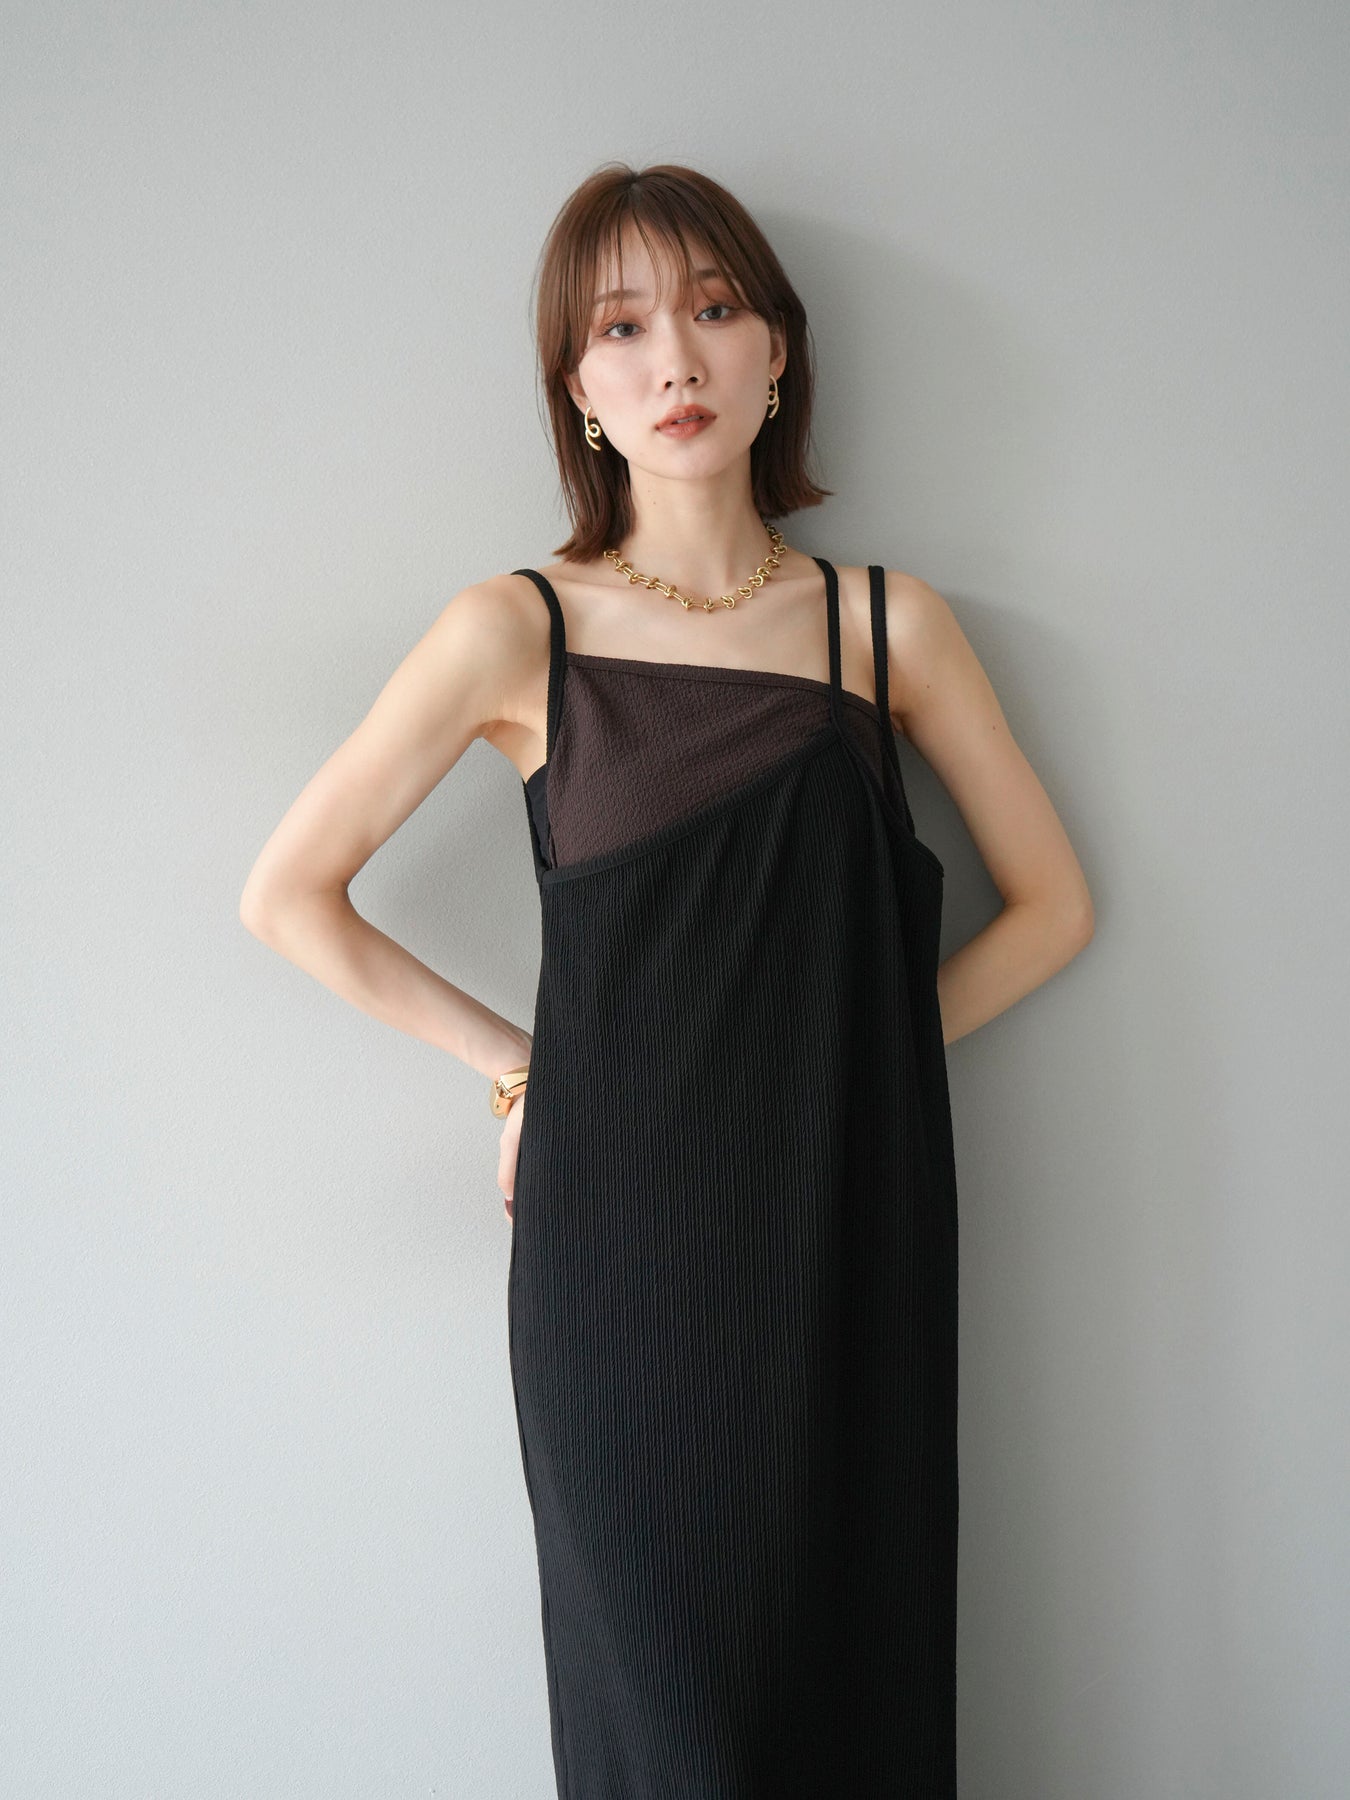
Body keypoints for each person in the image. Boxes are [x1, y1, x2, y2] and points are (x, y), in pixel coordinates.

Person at [240, 160, 1093, 1798]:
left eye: (712, 311)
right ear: (577, 388)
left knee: (853, 1683)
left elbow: (1052, 907)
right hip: (619, 1246)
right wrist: (520, 1070)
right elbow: (289, 896)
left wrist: (852, 1068)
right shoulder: (516, 630)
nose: (675, 361)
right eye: (621, 328)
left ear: (777, 353)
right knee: (681, 1726)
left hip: (848, 1220)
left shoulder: (882, 626)